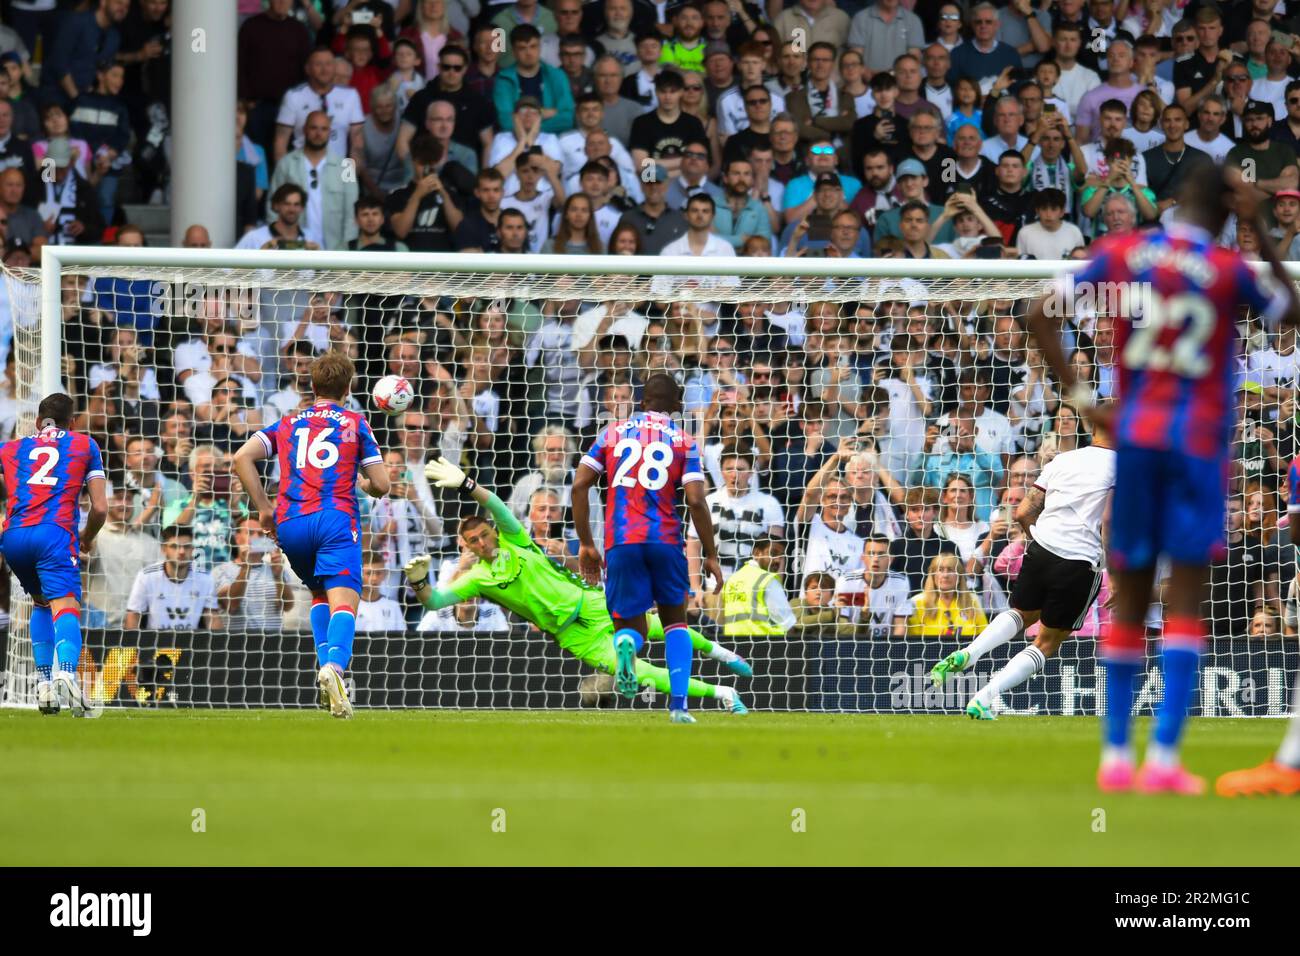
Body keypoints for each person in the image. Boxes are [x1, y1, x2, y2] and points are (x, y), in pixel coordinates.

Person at [1027, 164, 1300, 794]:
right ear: (1230, 207)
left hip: (1138, 439)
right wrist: (1259, 222)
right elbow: (1292, 317)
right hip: (1198, 446)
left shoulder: (1123, 251)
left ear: (1174, 204)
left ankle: (1116, 758)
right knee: (1183, 602)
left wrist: (1083, 400)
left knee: (1129, 594)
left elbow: (1038, 310)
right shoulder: (1231, 269)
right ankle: (1166, 760)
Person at [406, 458, 750, 711]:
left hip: (590, 602)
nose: (482, 543)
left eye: (484, 534)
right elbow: (435, 602)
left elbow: (494, 503)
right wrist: (419, 580)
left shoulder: (516, 539)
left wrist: (466, 482)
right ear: (465, 546)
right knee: (645, 673)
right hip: (571, 634)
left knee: (664, 627)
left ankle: (722, 652)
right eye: (473, 541)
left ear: (493, 531)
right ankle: (723, 693)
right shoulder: (478, 579)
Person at [231, 352, 392, 720]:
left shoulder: (287, 423)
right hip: (334, 519)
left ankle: (324, 678)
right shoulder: (354, 422)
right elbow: (381, 484)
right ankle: (335, 669)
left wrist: (264, 508)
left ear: (312, 385)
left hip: (291, 524)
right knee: (345, 602)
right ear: (348, 388)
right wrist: (364, 482)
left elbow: (242, 457)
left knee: (319, 593)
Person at [932, 412, 1115, 718]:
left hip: (1041, 550)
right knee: (1046, 642)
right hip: (1080, 561)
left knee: (1021, 613)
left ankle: (968, 653)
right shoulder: (1123, 467)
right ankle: (985, 696)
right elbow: (1108, 521)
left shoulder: (1063, 461)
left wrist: (1038, 539)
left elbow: (1023, 512)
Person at [572, 373, 724, 722]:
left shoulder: (611, 433)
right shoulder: (684, 442)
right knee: (675, 623)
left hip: (621, 542)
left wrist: (586, 544)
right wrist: (711, 554)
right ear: (677, 407)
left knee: (630, 626)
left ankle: (627, 644)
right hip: (666, 541)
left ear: (642, 403)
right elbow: (697, 501)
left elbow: (580, 485)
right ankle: (679, 707)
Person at [0, 392, 107, 715]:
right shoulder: (83, 444)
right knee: (67, 603)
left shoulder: (10, 447)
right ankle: (67, 674)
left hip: (14, 536)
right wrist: (86, 537)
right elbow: (100, 508)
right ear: (72, 422)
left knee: (41, 601)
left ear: (37, 421)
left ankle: (45, 685)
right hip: (54, 532)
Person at [720, 535, 796, 638]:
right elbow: (788, 623)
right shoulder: (768, 580)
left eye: (781, 556)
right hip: (766, 647)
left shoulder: (731, 581)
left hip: (733, 647)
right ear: (756, 553)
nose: (778, 560)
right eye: (773, 553)